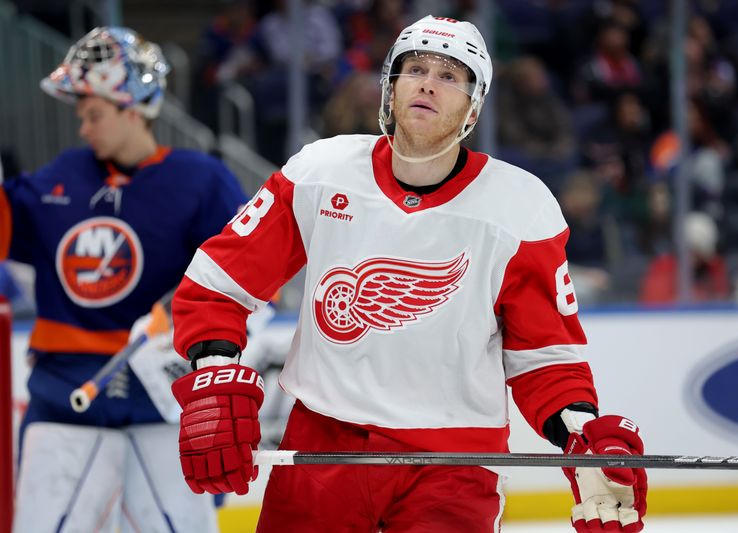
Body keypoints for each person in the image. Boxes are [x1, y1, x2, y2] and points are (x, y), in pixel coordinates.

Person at [170, 15, 647, 533]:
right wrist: (214, 369)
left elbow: (545, 359)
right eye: (415, 68)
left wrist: (579, 432)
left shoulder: (521, 207)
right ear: (390, 88)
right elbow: (218, 283)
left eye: (449, 76)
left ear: (473, 105)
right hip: (325, 444)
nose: (427, 82)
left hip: (453, 462)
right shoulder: (319, 172)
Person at [0, 27, 247, 532]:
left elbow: (243, 275)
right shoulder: (62, 174)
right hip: (62, 398)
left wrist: (186, 317)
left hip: (162, 402)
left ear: (132, 109)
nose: (84, 128)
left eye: (94, 114)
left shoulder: (202, 180)